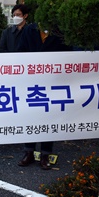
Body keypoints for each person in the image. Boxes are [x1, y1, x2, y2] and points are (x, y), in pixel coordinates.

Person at [16, 22, 72, 170]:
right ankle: (29, 152)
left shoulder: (60, 30)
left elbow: (68, 54)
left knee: (49, 117)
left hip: (52, 81)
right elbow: (20, 51)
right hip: (32, 80)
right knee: (31, 116)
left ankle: (45, 154)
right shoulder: (30, 29)